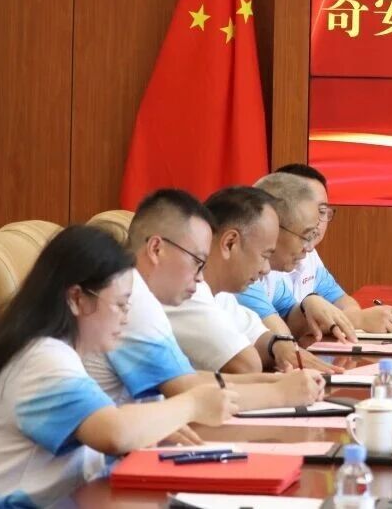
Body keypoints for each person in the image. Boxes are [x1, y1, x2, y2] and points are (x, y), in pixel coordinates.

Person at [0, 226, 237, 507]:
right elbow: (115, 432)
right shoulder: (42, 359)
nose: (125, 317)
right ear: (77, 298)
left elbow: (99, 443)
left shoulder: (47, 349)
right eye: (120, 304)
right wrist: (193, 404)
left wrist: (152, 428)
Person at [83, 188, 325, 410]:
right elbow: (185, 389)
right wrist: (279, 393)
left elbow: (187, 378)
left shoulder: (142, 294)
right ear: (156, 249)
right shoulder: (130, 300)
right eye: (197, 261)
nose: (200, 277)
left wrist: (275, 382)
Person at [163, 185, 333, 374]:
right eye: (264, 255)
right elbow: (246, 364)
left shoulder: (221, 294)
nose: (266, 270)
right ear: (230, 243)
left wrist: (278, 347)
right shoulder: (185, 291)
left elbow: (262, 338)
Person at [275, 163, 392, 333]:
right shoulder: (260, 266)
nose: (316, 222)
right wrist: (356, 320)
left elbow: (344, 302)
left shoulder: (310, 255)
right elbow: (282, 329)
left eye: (322, 211)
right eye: (308, 211)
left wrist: (355, 318)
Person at [235, 172, 360, 344]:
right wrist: (358, 320)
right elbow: (284, 343)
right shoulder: (243, 271)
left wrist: (307, 304)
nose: (309, 247)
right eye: (305, 236)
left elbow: (290, 317)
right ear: (273, 226)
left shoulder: (271, 273)